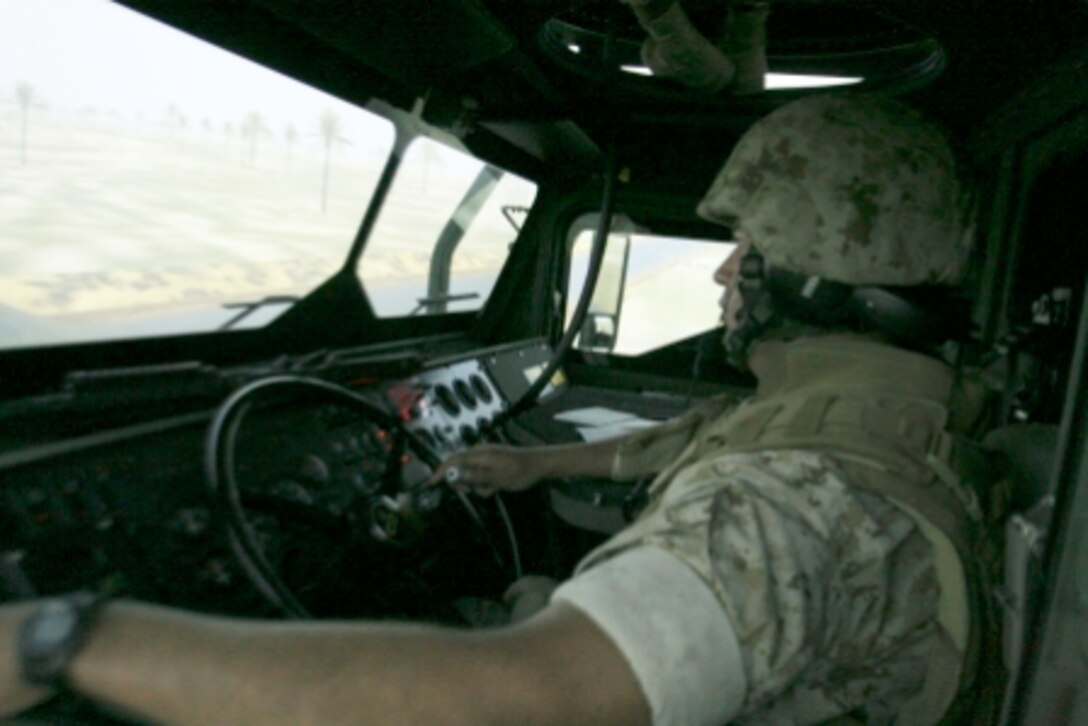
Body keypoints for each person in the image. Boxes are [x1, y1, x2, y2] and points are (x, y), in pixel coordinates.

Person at [0, 94, 980, 725]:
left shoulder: (779, 504)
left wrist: (70, 639)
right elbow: (687, 438)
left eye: (751, 249)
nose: (726, 269)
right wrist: (534, 467)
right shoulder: (869, 419)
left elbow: (523, 701)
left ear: (819, 282)